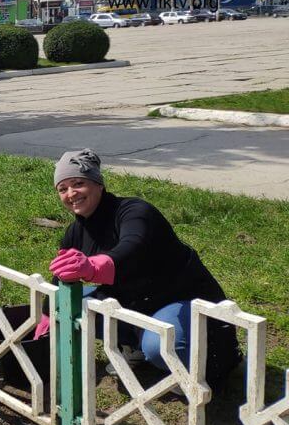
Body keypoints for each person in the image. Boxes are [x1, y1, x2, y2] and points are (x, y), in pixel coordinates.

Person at [40, 149, 241, 384]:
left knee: (160, 347)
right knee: (73, 304)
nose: (71, 193)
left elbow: (133, 245)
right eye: (62, 189)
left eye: (78, 183)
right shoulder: (76, 232)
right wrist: (48, 312)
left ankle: (200, 370)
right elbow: (60, 276)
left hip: (177, 298)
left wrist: (94, 266)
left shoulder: (134, 212)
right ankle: (134, 345)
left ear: (98, 184)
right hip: (136, 302)